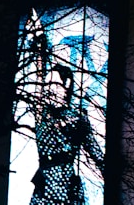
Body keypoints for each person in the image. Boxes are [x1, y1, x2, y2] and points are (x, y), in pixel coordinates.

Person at [29, 64, 106, 205]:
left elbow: (95, 153)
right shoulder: (42, 114)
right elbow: (38, 87)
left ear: (67, 84)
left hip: (66, 187)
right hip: (43, 187)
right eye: (47, 85)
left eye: (54, 84)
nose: (49, 89)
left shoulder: (77, 119)